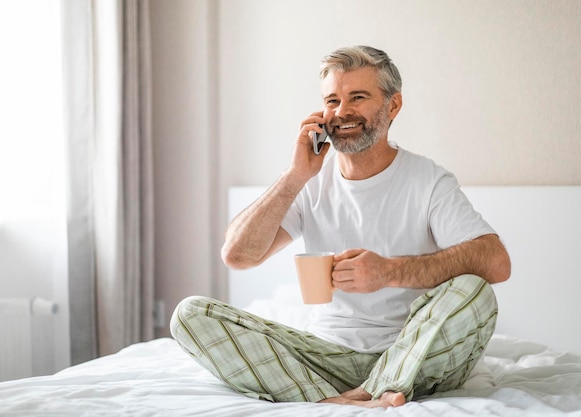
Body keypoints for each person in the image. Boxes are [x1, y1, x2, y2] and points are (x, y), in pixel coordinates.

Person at [170, 45, 511, 408]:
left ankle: (369, 391)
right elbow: (237, 256)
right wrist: (295, 175)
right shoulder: (308, 182)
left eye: (358, 97)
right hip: (325, 356)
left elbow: (496, 261)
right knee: (190, 314)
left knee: (476, 290)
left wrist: (389, 272)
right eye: (332, 100)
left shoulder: (428, 180)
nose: (342, 112)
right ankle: (341, 400)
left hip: (414, 353)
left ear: (392, 106)